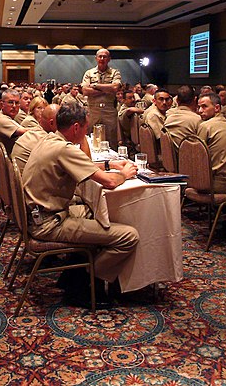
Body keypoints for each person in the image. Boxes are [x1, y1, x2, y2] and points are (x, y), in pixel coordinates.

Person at [23, 103, 139, 304]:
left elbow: (82, 164)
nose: (87, 131)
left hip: (38, 215)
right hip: (48, 224)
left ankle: (74, 274)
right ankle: (85, 281)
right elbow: (110, 182)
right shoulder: (63, 148)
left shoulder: (50, 139)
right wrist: (124, 174)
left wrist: (109, 164)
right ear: (76, 128)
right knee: (129, 236)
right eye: (86, 127)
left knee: (90, 210)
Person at [82, 48, 122, 149]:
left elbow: (115, 88)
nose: (102, 58)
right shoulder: (89, 73)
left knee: (111, 140)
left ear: (109, 59)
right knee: (91, 138)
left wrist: (95, 85)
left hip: (109, 110)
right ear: (96, 58)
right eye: (100, 56)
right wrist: (106, 89)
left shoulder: (115, 73)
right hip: (93, 110)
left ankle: (113, 163)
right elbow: (85, 91)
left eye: (105, 56)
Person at [12, 104, 58, 174]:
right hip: (25, 182)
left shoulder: (35, 131)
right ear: (51, 123)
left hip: (18, 177)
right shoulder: (46, 139)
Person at [0, 88, 26, 156]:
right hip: (7, 163)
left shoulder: (5, 116)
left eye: (17, 103)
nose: (14, 106)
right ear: (2, 104)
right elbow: (26, 132)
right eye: (10, 102)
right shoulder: (1, 120)